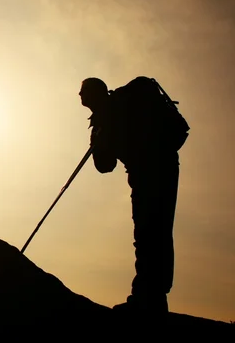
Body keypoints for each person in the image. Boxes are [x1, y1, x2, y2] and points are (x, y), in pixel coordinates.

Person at [79, 77, 184, 315]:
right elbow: (106, 165)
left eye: (83, 91)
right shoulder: (105, 118)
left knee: (152, 231)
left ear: (96, 92)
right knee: (150, 232)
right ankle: (150, 295)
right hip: (148, 172)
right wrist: (98, 140)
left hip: (156, 170)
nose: (79, 95)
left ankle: (150, 297)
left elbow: (106, 165)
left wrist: (99, 138)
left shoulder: (116, 108)